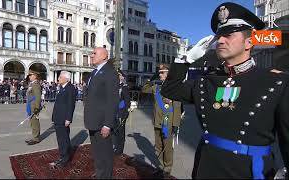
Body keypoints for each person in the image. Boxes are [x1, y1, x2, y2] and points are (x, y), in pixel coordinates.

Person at [161, 2, 289, 179]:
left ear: (249, 42)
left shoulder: (275, 81)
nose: (220, 40)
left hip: (250, 172)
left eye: (228, 35)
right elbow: (170, 90)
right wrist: (185, 59)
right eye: (219, 35)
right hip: (206, 170)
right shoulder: (207, 82)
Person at [83, 47, 119, 178]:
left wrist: (107, 124)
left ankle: (106, 176)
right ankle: (100, 173)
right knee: (97, 153)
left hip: (102, 122)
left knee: (105, 154)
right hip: (93, 120)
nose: (91, 55)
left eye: (94, 53)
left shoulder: (110, 73)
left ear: (104, 56)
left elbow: (113, 100)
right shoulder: (94, 73)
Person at [141, 64, 182, 178]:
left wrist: (175, 124)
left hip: (167, 123)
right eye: (159, 72)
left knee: (167, 147)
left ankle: (167, 168)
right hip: (157, 121)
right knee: (158, 146)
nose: (160, 74)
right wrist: (150, 79)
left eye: (162, 72)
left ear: (169, 74)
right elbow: (144, 89)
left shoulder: (175, 88)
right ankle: (160, 166)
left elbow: (178, 106)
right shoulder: (156, 87)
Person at [49, 71, 76, 168]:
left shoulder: (70, 88)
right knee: (62, 139)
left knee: (62, 139)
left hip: (63, 119)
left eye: (60, 77)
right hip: (58, 117)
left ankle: (63, 160)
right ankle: (65, 155)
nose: (58, 79)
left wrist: (68, 119)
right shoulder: (62, 88)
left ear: (66, 79)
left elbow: (70, 104)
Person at [112, 69, 130, 155]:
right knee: (115, 131)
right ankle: (116, 146)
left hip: (121, 112)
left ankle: (120, 150)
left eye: (119, 75)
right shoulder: (115, 86)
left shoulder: (124, 87)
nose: (117, 76)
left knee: (121, 132)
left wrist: (125, 113)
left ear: (122, 77)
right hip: (114, 112)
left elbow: (127, 101)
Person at [25, 70, 42, 145]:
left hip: (34, 106)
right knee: (32, 122)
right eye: (29, 75)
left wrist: (37, 108)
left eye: (30, 75)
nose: (29, 76)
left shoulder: (35, 84)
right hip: (30, 105)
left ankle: (36, 138)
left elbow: (38, 96)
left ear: (35, 76)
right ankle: (34, 136)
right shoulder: (31, 84)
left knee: (35, 121)